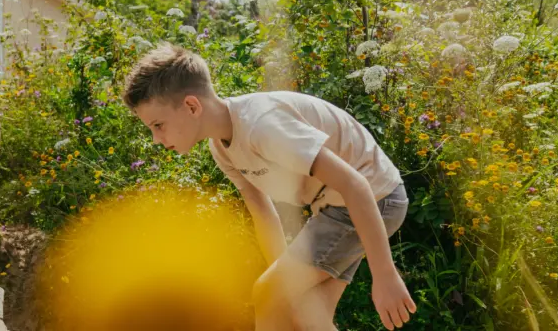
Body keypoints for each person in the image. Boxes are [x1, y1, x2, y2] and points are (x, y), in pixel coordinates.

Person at [121, 43, 416, 330]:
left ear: (191, 105)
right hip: (342, 207)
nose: (156, 138)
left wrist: (385, 274)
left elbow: (356, 184)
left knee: (266, 294)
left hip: (374, 199)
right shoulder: (222, 148)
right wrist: (286, 283)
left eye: (158, 125)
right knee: (307, 317)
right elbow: (263, 213)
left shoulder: (262, 126)